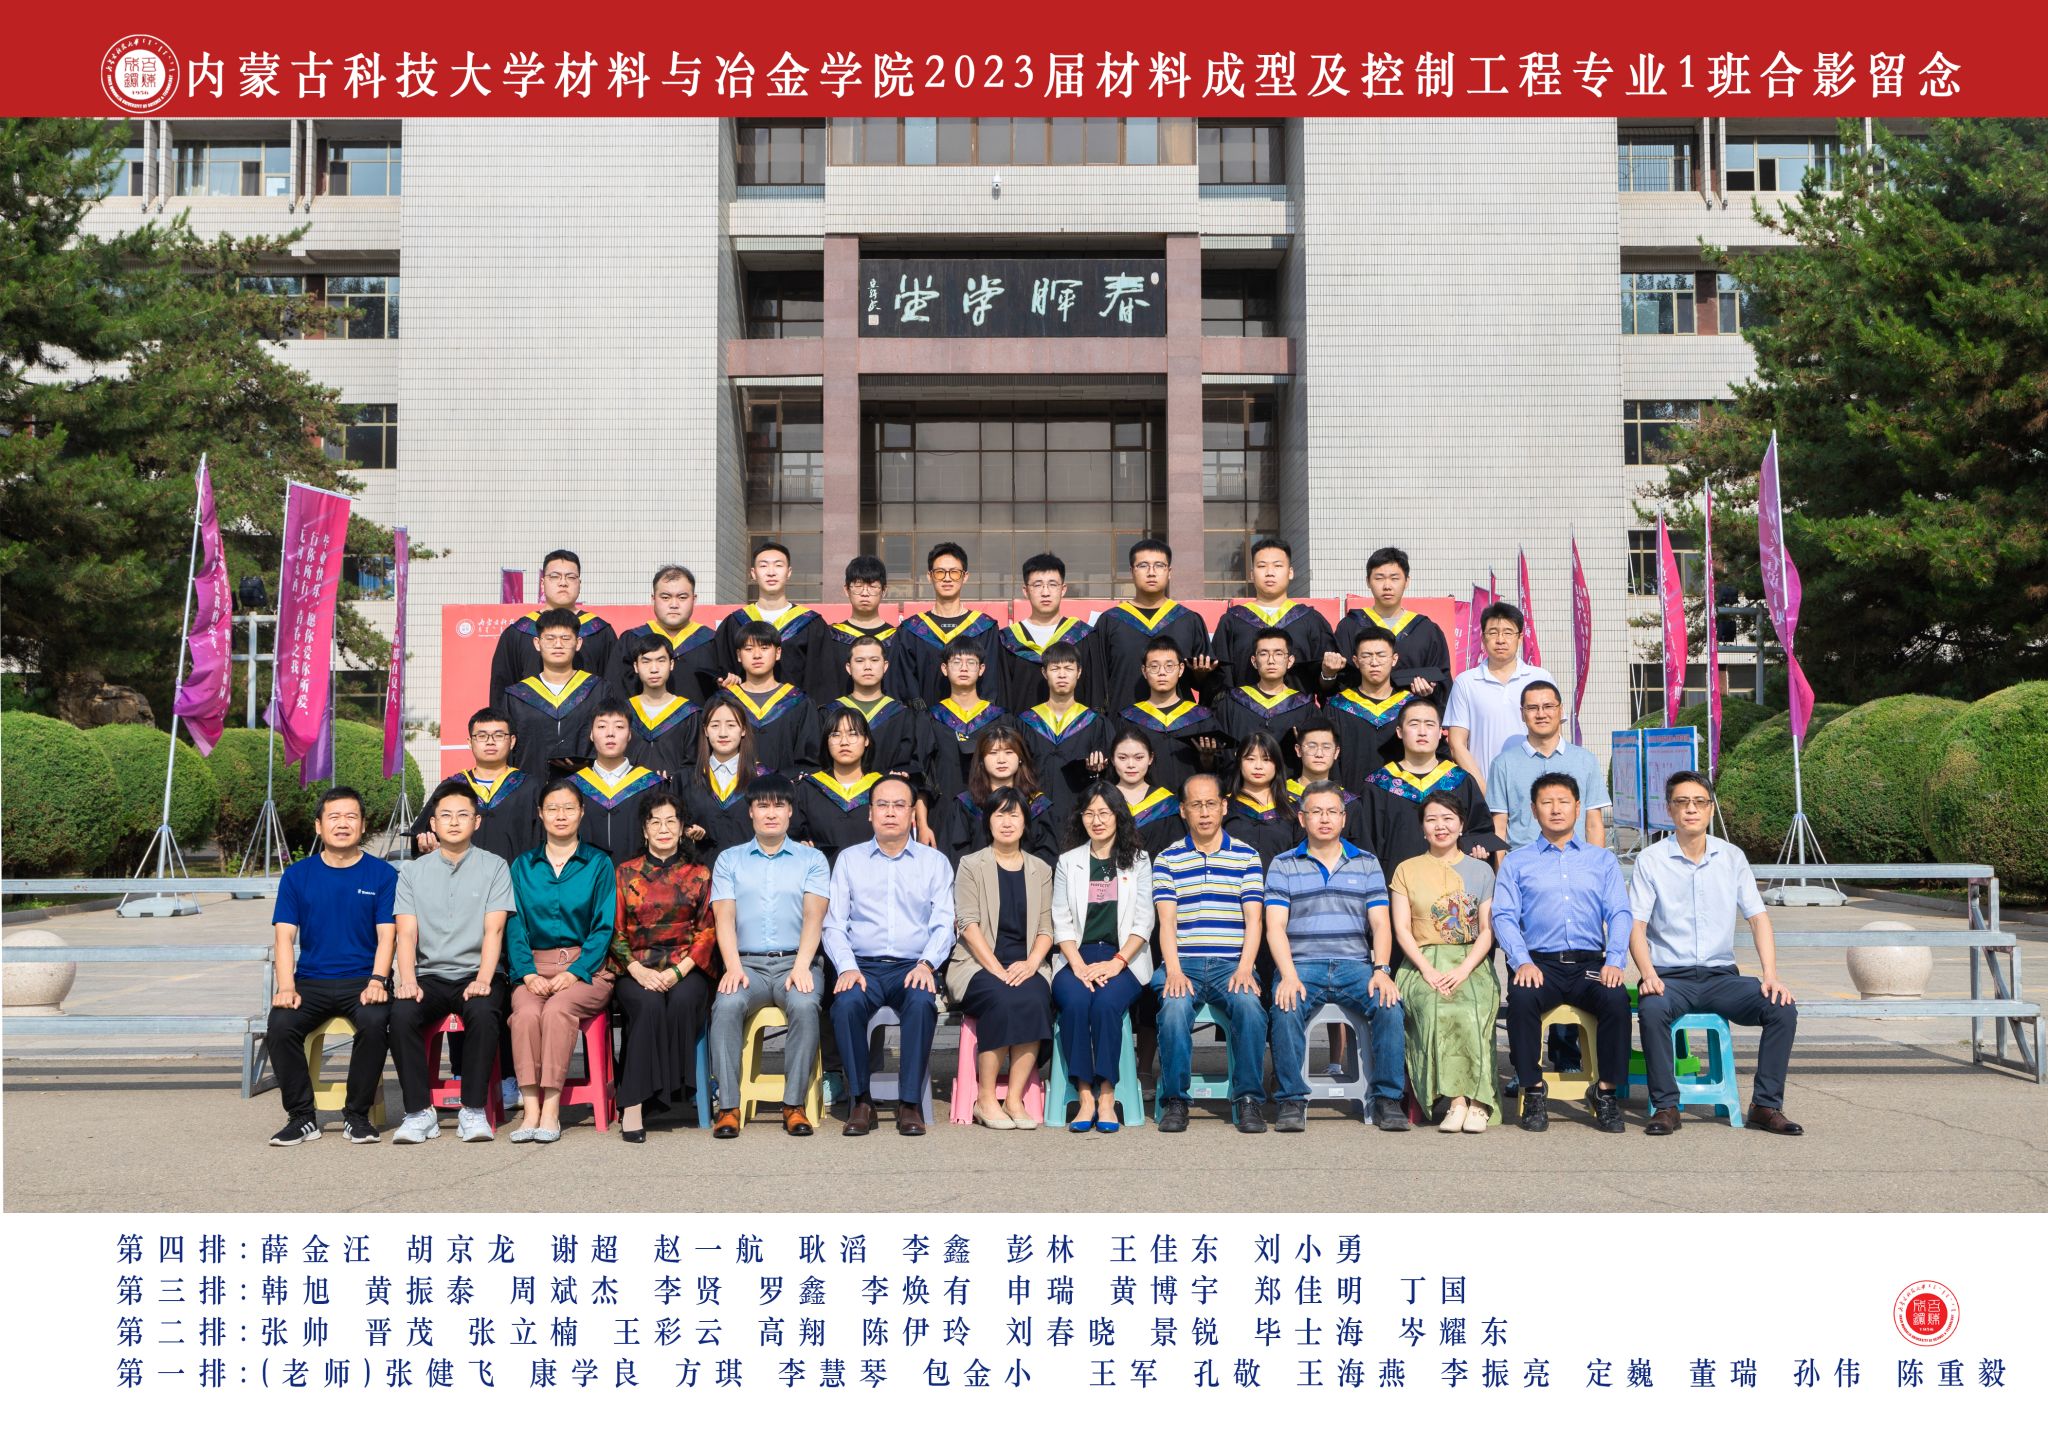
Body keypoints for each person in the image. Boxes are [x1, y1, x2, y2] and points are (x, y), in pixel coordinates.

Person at [1629, 770, 1803, 1136]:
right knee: (1652, 1008)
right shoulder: (1651, 859)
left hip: (1722, 978)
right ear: (1669, 809)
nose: (1691, 809)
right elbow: (1636, 925)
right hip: (1670, 978)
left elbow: (1758, 918)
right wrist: (1648, 974)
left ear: (1711, 807)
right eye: (1682, 802)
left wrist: (1771, 976)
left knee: (1781, 1008)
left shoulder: (1731, 857)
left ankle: (1765, 1106)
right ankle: (1666, 1107)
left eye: (1699, 802)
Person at [1265, 781, 1409, 1133]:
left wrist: (1381, 969)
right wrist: (1288, 975)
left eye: (1332, 811)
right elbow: (1275, 927)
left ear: (1344, 818)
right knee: (1285, 1006)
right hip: (1302, 966)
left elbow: (1381, 924)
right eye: (1316, 812)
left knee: (1389, 1005)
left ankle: (1387, 1098)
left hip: (1354, 967)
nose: (1324, 819)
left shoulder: (1366, 863)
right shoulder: (1284, 864)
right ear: (1302, 818)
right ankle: (1291, 1100)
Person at [1493, 773, 1633, 1134]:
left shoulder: (1601, 861)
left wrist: (1615, 960)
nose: (1556, 809)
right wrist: (1521, 961)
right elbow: (1503, 916)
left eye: (1563, 802)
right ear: (1533, 810)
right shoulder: (1517, 862)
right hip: (1540, 964)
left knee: (1616, 1000)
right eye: (1547, 803)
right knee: (1522, 1000)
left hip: (1590, 964)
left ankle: (1605, 1092)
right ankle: (1533, 1089)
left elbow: (1619, 913)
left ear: (1577, 807)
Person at [265, 787, 399, 1146]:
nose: (343, 824)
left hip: (364, 980)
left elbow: (387, 935)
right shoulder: (297, 876)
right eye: (334, 817)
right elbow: (284, 937)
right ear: (318, 826)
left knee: (375, 1022)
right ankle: (301, 1117)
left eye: (351, 817)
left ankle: (357, 1115)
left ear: (363, 825)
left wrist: (378, 980)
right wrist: (286, 987)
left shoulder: (382, 875)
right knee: (280, 1025)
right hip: (311, 981)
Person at [824, 776, 956, 1137]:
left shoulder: (934, 862)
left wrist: (927, 964)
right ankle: (861, 1100)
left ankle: (909, 1102)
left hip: (913, 965)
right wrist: (846, 967)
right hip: (862, 966)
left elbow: (944, 923)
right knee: (846, 1005)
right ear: (870, 813)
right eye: (882, 805)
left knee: (921, 1003)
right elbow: (833, 924)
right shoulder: (849, 860)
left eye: (899, 805)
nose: (890, 812)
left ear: (913, 813)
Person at [389, 781, 516, 1145]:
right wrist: (407, 980)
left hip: (477, 973)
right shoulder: (413, 872)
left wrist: (484, 978)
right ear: (433, 823)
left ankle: (472, 1110)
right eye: (445, 815)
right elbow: (406, 934)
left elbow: (494, 930)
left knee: (484, 1012)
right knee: (400, 1014)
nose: (455, 822)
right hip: (429, 975)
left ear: (477, 822)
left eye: (463, 815)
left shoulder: (495, 866)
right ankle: (419, 1112)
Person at [708, 774, 834, 1138]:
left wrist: (802, 965)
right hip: (746, 963)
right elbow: (723, 917)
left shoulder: (812, 859)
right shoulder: (729, 860)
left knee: (805, 1005)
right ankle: (728, 1106)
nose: (771, 813)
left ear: (791, 811)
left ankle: (793, 1104)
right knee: (727, 1005)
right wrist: (732, 966)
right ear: (750, 812)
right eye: (762, 806)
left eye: (779, 805)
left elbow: (814, 916)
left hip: (797, 961)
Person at [1151, 774, 1270, 1134]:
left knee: (1250, 1007)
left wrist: (1245, 968)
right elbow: (1166, 923)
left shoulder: (1247, 856)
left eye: (1210, 804)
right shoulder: (1168, 859)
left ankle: (1248, 1099)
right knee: (1173, 1010)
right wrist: (1173, 970)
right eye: (1196, 805)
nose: (1204, 812)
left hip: (1231, 964)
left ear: (1224, 806)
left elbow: (1254, 920)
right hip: (1183, 962)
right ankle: (1175, 1100)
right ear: (1183, 810)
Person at [505, 779, 617, 1142]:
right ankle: (530, 1109)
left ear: (582, 813)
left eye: (569, 808)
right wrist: (526, 973)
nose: (561, 815)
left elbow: (604, 927)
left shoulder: (598, 864)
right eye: (552, 808)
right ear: (540, 814)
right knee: (525, 1014)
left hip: (587, 969)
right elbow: (514, 925)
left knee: (556, 1010)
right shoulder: (523, 866)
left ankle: (551, 1110)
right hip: (534, 967)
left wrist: (576, 972)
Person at [608, 789, 718, 1143]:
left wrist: (677, 972)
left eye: (671, 821)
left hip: (686, 966)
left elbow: (707, 931)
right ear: (644, 829)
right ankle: (634, 1104)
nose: (664, 828)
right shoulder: (625, 873)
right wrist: (637, 971)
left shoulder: (699, 873)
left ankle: (668, 1091)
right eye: (655, 822)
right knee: (648, 1004)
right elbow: (614, 930)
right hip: (636, 967)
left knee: (684, 1000)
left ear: (683, 828)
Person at [1389, 794, 1501, 1134]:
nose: (1441, 826)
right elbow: (1402, 929)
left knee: (1472, 1009)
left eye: (1448, 818)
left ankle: (1479, 1102)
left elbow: (1487, 930)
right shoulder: (1406, 870)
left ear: (1462, 825)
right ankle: (1456, 1101)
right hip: (1422, 961)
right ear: (1422, 828)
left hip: (1471, 961)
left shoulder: (1481, 870)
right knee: (1435, 1007)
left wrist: (1464, 970)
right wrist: (1428, 970)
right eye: (1432, 819)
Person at [946, 788, 1057, 1129]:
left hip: (1025, 962)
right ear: (988, 821)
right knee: (1002, 997)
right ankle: (984, 1099)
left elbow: (1046, 928)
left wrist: (1032, 963)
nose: (1007, 822)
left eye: (1014, 815)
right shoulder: (971, 865)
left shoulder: (1041, 869)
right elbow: (968, 924)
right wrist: (997, 969)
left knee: (1035, 996)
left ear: (1025, 822)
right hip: (977, 964)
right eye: (999, 815)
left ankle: (1014, 1098)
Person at [1049, 782, 1155, 1132]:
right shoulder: (1069, 862)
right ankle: (1085, 1095)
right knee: (1076, 1002)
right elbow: (1061, 919)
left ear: (1118, 816)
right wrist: (1078, 965)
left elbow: (1144, 920)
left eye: (1104, 813)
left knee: (1107, 1004)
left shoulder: (1138, 861)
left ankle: (1107, 1094)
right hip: (1076, 956)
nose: (1097, 821)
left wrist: (1117, 962)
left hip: (1124, 957)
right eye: (1089, 813)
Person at [1364, 696, 1498, 876]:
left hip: (1452, 884)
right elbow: (1368, 844)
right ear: (1399, 732)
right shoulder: (1379, 784)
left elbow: (1480, 830)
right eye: (1414, 724)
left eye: (1429, 724)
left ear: (1441, 732)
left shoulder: (1460, 780)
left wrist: (1479, 852)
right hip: (1395, 884)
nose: (1422, 732)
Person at [1443, 601, 1555, 793]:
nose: (1500, 640)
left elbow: (1553, 735)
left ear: (1520, 638)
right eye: (1493, 633)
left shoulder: (1540, 678)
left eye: (1508, 633)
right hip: (1485, 789)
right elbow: (1456, 744)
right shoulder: (1466, 682)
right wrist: (1484, 792)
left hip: (1536, 792)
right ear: (1483, 638)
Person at [1094, 537, 1215, 713]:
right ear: (1131, 571)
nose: (1151, 572)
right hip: (1122, 723)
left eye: (1159, 565)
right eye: (1143, 565)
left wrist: (1201, 675)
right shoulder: (1110, 622)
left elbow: (1208, 684)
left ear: (1169, 572)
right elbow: (1097, 681)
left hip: (1177, 724)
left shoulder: (1189, 621)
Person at [1209, 537, 1337, 698]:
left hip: (1299, 711)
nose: (1269, 573)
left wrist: (1329, 675)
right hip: (1243, 711)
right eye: (1262, 566)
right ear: (1252, 574)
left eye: (1277, 565)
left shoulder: (1311, 620)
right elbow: (1220, 681)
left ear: (1290, 572)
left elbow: (1329, 682)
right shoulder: (1233, 621)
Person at [490, 548, 617, 711]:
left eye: (571, 577)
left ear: (579, 583)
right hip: (529, 721)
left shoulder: (600, 632)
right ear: (542, 584)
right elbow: (502, 689)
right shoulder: (518, 633)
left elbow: (613, 687)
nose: (563, 583)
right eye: (555, 576)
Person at [1487, 679, 1609, 848]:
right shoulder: (1503, 764)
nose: (1541, 714)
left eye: (1548, 706)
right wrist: (1501, 865)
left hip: (1575, 860)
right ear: (1522, 713)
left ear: (1561, 710)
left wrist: (1596, 863)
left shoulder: (1586, 760)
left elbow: (1593, 825)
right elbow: (1499, 826)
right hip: (1522, 861)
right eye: (1532, 708)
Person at [411, 707, 541, 863]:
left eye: (499, 735)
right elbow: (421, 834)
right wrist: (426, 844)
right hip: (460, 875)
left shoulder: (530, 787)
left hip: (514, 876)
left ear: (512, 741)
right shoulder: (452, 787)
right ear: (470, 742)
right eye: (482, 736)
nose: (490, 741)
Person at [889, 542, 1002, 711]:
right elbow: (902, 683)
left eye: (954, 572)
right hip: (923, 722)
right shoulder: (911, 630)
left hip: (975, 722)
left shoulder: (984, 628)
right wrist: (922, 719)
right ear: (929, 576)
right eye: (940, 572)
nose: (947, 578)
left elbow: (991, 682)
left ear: (965, 576)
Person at [1331, 547, 1452, 702]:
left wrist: (1430, 691)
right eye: (1379, 578)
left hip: (1412, 713)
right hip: (1360, 713)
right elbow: (1339, 681)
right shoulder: (1350, 627)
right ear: (1368, 581)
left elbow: (1443, 682)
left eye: (1394, 578)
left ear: (1407, 581)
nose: (1387, 586)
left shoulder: (1426, 630)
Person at [1018, 639, 1110, 838]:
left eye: (1068, 668)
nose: (1062, 674)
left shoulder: (1095, 723)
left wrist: (1098, 769)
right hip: (1035, 818)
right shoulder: (1027, 722)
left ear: (1079, 672)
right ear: (1044, 673)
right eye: (1055, 668)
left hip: (1081, 817)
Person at [934, 723, 1059, 866]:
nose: (1001, 760)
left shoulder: (1037, 805)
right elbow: (955, 856)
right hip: (976, 878)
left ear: (1020, 757)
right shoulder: (966, 805)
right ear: (981, 760)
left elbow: (1047, 857)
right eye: (993, 753)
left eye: (1009, 752)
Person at [502, 607, 605, 775]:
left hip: (585, 783)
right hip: (531, 784)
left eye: (565, 638)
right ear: (537, 643)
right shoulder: (517, 696)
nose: (558, 645)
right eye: (550, 638)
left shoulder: (598, 690)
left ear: (578, 643)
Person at [995, 552, 1101, 711]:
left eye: (1052, 584)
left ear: (1063, 589)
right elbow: (1002, 697)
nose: (1045, 592)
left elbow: (1093, 691)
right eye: (1037, 585)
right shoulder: (1008, 641)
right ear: (1025, 590)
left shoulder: (1083, 635)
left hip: (1075, 726)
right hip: (1021, 726)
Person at [1118, 639, 1224, 795]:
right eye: (1154, 666)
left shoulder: (1201, 717)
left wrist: (1207, 760)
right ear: (1144, 671)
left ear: (1181, 669)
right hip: (1146, 806)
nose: (1162, 672)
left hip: (1192, 803)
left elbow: (1221, 770)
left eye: (1169, 666)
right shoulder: (1130, 718)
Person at [715, 540, 824, 692]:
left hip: (797, 705)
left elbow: (821, 680)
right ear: (753, 573)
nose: (771, 572)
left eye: (778, 565)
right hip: (745, 705)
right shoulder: (735, 623)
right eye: (763, 566)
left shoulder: (810, 623)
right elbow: (722, 671)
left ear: (789, 572)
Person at [720, 618, 820, 775]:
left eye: (764, 648)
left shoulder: (799, 702)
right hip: (733, 788)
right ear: (739, 655)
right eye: (749, 649)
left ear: (778, 652)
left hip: (785, 789)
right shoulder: (724, 701)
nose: (757, 655)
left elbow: (809, 762)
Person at [569, 700, 663, 857]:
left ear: (629, 734)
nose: (610, 733)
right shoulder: (573, 787)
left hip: (638, 871)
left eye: (619, 727)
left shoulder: (651, 785)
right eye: (602, 726)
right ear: (591, 734)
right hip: (586, 871)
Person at [615, 563, 721, 704]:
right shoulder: (631, 640)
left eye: (682, 597)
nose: (674, 604)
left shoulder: (712, 641)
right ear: (653, 599)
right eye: (665, 597)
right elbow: (617, 690)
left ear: (694, 599)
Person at [677, 697, 764, 866]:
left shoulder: (762, 779)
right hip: (699, 873)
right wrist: (686, 831)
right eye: (715, 725)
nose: (723, 733)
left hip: (752, 871)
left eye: (731, 725)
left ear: (743, 730)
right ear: (705, 730)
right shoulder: (685, 779)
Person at [1321, 626, 1409, 790]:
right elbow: (1329, 762)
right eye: (1367, 656)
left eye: (1381, 655)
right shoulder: (1338, 706)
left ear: (1394, 659)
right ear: (1355, 661)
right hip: (1350, 798)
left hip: (1400, 798)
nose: (1374, 663)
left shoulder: (1410, 708)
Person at [1214, 627, 1322, 759]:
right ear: (1254, 661)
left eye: (1278, 654)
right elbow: (1220, 758)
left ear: (1290, 661)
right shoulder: (1232, 704)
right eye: (1264, 654)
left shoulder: (1305, 708)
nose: (1271, 661)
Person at [793, 705, 883, 864]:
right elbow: (793, 837)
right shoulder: (807, 789)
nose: (844, 742)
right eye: (835, 734)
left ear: (866, 740)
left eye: (853, 734)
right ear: (826, 741)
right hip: (822, 874)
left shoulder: (882, 789)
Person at [926, 639, 1007, 802]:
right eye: (957, 662)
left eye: (971, 662)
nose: (964, 668)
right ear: (944, 669)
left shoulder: (1000, 718)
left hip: (990, 807)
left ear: (981, 669)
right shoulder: (931, 718)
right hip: (944, 806)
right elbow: (924, 774)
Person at [814, 554, 899, 705]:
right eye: (858, 586)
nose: (865, 593)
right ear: (846, 590)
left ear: (884, 590)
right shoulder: (832, 637)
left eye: (872, 586)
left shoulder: (897, 638)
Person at [621, 634, 701, 780]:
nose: (654, 669)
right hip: (629, 790)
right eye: (646, 662)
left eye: (661, 660)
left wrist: (675, 779)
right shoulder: (623, 712)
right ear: (636, 667)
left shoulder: (689, 713)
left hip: (675, 791)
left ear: (671, 664)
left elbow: (694, 763)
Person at [1286, 720, 1374, 851]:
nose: (1319, 754)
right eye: (1312, 746)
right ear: (1298, 750)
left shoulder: (1350, 804)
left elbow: (1363, 855)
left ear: (1336, 752)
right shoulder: (1280, 798)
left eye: (1326, 747)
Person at [1226, 729, 1303, 867]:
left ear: (1277, 764)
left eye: (1266, 759)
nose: (1258, 766)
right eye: (1250, 759)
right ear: (1239, 762)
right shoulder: (1224, 807)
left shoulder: (1293, 810)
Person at [1105, 725, 1185, 856]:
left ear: (1150, 758)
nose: (1131, 765)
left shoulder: (1167, 804)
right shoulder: (1101, 800)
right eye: (1122, 758)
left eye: (1139, 757)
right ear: (1113, 759)